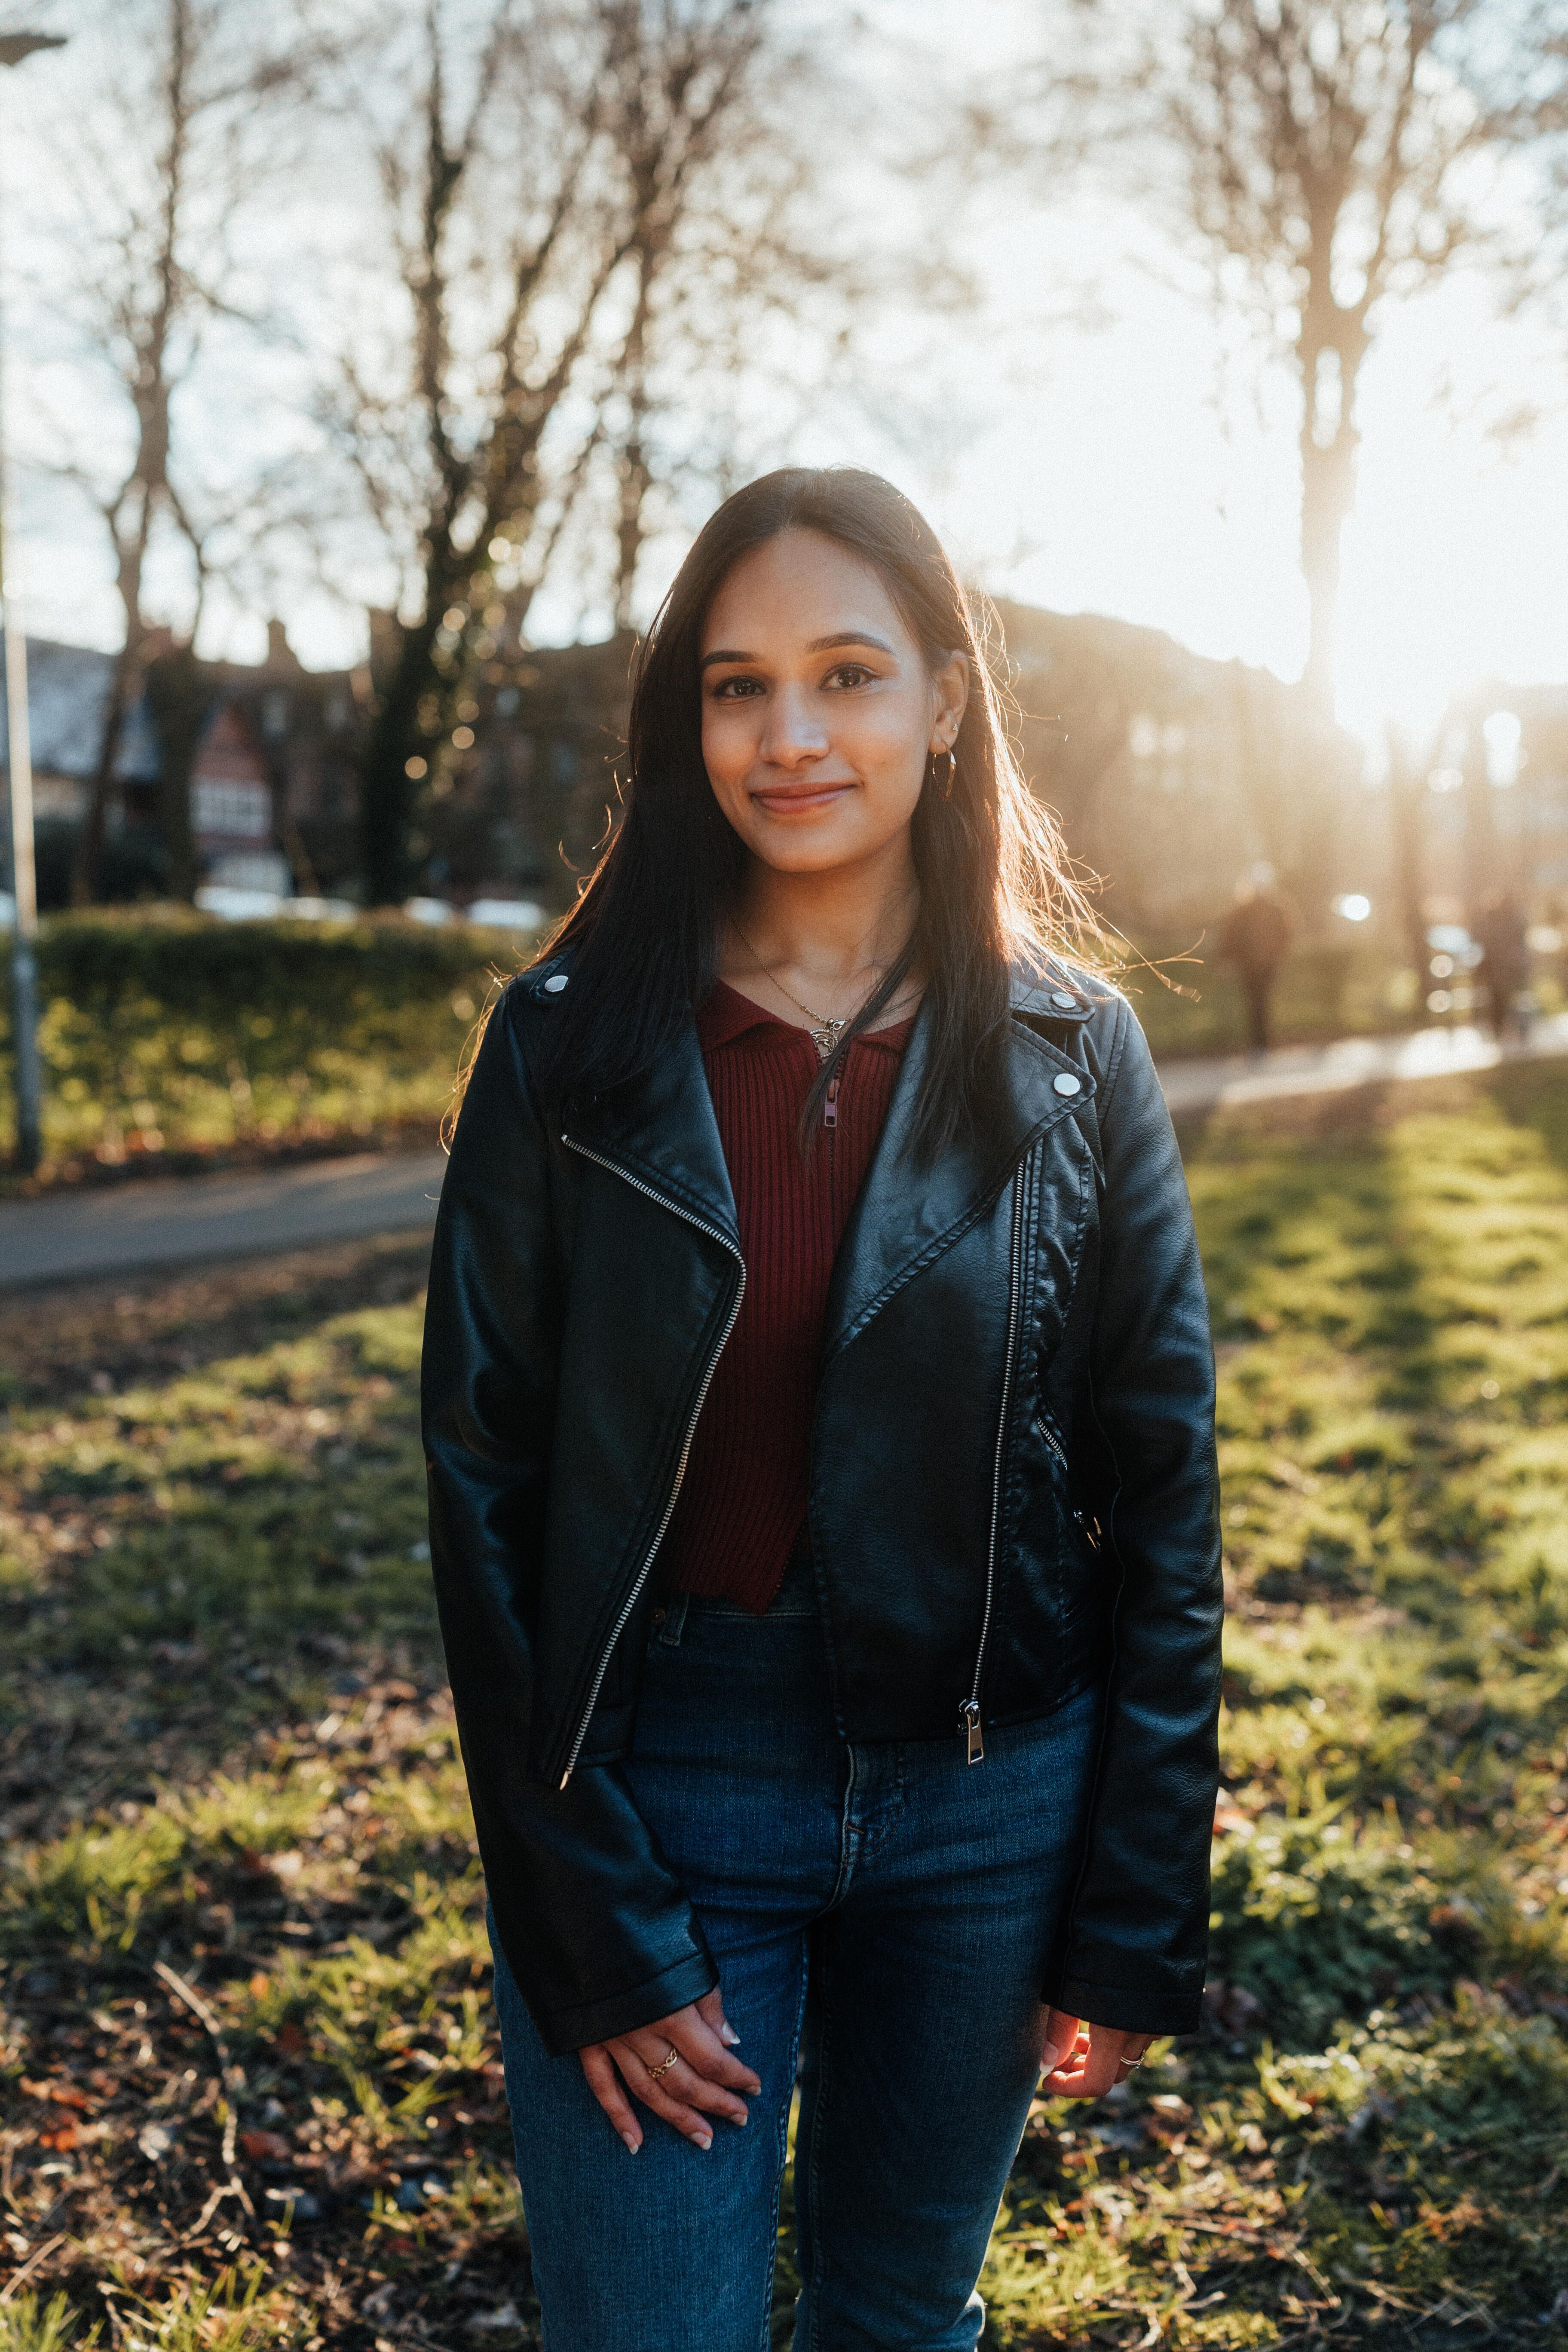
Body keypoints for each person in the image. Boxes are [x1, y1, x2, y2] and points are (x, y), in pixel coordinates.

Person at [422, 468, 1222, 2352]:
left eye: (846, 674)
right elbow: (482, 1491)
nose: (788, 734)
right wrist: (586, 1910)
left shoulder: (1074, 1054)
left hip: (991, 1792)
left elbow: (1162, 1493)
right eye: (734, 684)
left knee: (902, 2313)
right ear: (682, 719)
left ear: (945, 700)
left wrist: (1127, 1900)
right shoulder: (562, 1048)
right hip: (658, 1783)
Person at [1217, 874, 1295, 1053]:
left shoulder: (1270, 911)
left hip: (1261, 966)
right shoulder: (1250, 912)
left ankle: (1261, 1041)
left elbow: (1285, 935)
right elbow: (1230, 938)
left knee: (1258, 1003)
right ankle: (1261, 1041)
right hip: (1253, 966)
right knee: (1257, 1003)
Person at [1471, 891, 1530, 1041]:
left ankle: (1521, 1030)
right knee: (1497, 1000)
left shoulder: (1515, 920)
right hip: (1495, 970)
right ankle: (1499, 1029)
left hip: (1512, 969)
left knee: (1517, 1000)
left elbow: (1520, 943)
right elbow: (1481, 940)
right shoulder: (1489, 921)